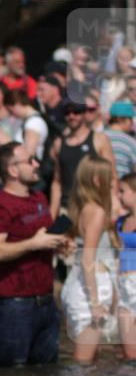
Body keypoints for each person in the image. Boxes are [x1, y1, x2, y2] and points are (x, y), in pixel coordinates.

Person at [0, 143, 70, 366]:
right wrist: (33, 243)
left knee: (47, 375)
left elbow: (44, 238)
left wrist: (60, 244)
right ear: (13, 170)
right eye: (30, 160)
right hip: (15, 305)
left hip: (47, 301)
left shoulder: (39, 197)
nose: (36, 164)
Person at [60, 155, 119, 363]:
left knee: (90, 362)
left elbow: (52, 234)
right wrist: (95, 303)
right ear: (97, 180)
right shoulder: (97, 211)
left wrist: (65, 246)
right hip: (90, 290)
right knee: (83, 365)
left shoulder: (76, 207)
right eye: (110, 177)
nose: (114, 181)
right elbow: (88, 259)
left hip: (74, 286)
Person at [50, 101, 116, 221]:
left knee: (92, 240)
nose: (71, 116)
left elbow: (111, 176)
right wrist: (52, 214)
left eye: (76, 112)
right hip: (67, 208)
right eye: (67, 113)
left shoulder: (99, 140)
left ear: (84, 114)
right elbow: (57, 181)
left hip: (93, 206)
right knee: (61, 239)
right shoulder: (59, 144)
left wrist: (113, 206)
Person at [115, 171, 136, 360]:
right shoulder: (120, 221)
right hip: (123, 286)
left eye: (123, 191)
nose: (118, 195)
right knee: (129, 352)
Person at [105, 101, 136, 177]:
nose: (132, 123)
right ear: (121, 119)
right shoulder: (130, 141)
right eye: (130, 119)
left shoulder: (99, 136)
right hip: (123, 184)